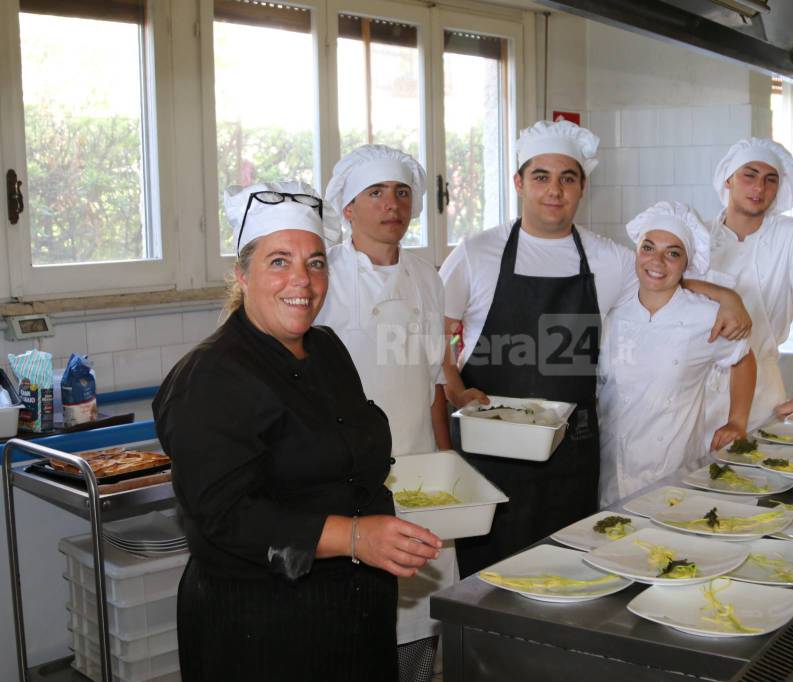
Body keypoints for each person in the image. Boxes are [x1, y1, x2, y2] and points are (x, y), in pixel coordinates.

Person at [153, 180, 442, 682]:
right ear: (242, 274)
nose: (302, 282)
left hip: (354, 613)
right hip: (262, 625)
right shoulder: (210, 376)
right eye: (279, 261)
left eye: (315, 262)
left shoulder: (326, 349)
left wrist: (378, 536)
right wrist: (355, 536)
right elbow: (225, 516)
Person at [439, 120, 750, 576]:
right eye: (541, 177)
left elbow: (662, 270)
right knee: (490, 578)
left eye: (567, 178)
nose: (554, 190)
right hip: (491, 449)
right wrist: (455, 389)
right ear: (518, 182)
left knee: (570, 572)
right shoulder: (476, 252)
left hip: (571, 453)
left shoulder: (608, 258)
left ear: (583, 187)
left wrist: (728, 296)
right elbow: (436, 337)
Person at [317, 146, 454, 682]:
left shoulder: (427, 276)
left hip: (419, 471)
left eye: (401, 192)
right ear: (347, 208)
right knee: (356, 622)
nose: (391, 204)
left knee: (419, 615)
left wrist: (448, 465)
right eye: (375, 193)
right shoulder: (322, 275)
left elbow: (433, 380)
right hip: (346, 477)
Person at [598, 201, 756, 507]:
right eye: (648, 248)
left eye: (672, 253)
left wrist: (737, 421)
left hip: (672, 463)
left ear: (686, 264)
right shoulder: (612, 311)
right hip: (611, 464)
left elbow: (743, 358)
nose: (657, 261)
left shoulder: (706, 316)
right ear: (637, 252)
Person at [694, 138, 793, 444]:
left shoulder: (792, 235)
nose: (759, 188)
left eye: (770, 179)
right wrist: (725, 296)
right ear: (728, 179)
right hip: (696, 393)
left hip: (761, 392)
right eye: (749, 175)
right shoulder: (699, 235)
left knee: (752, 483)